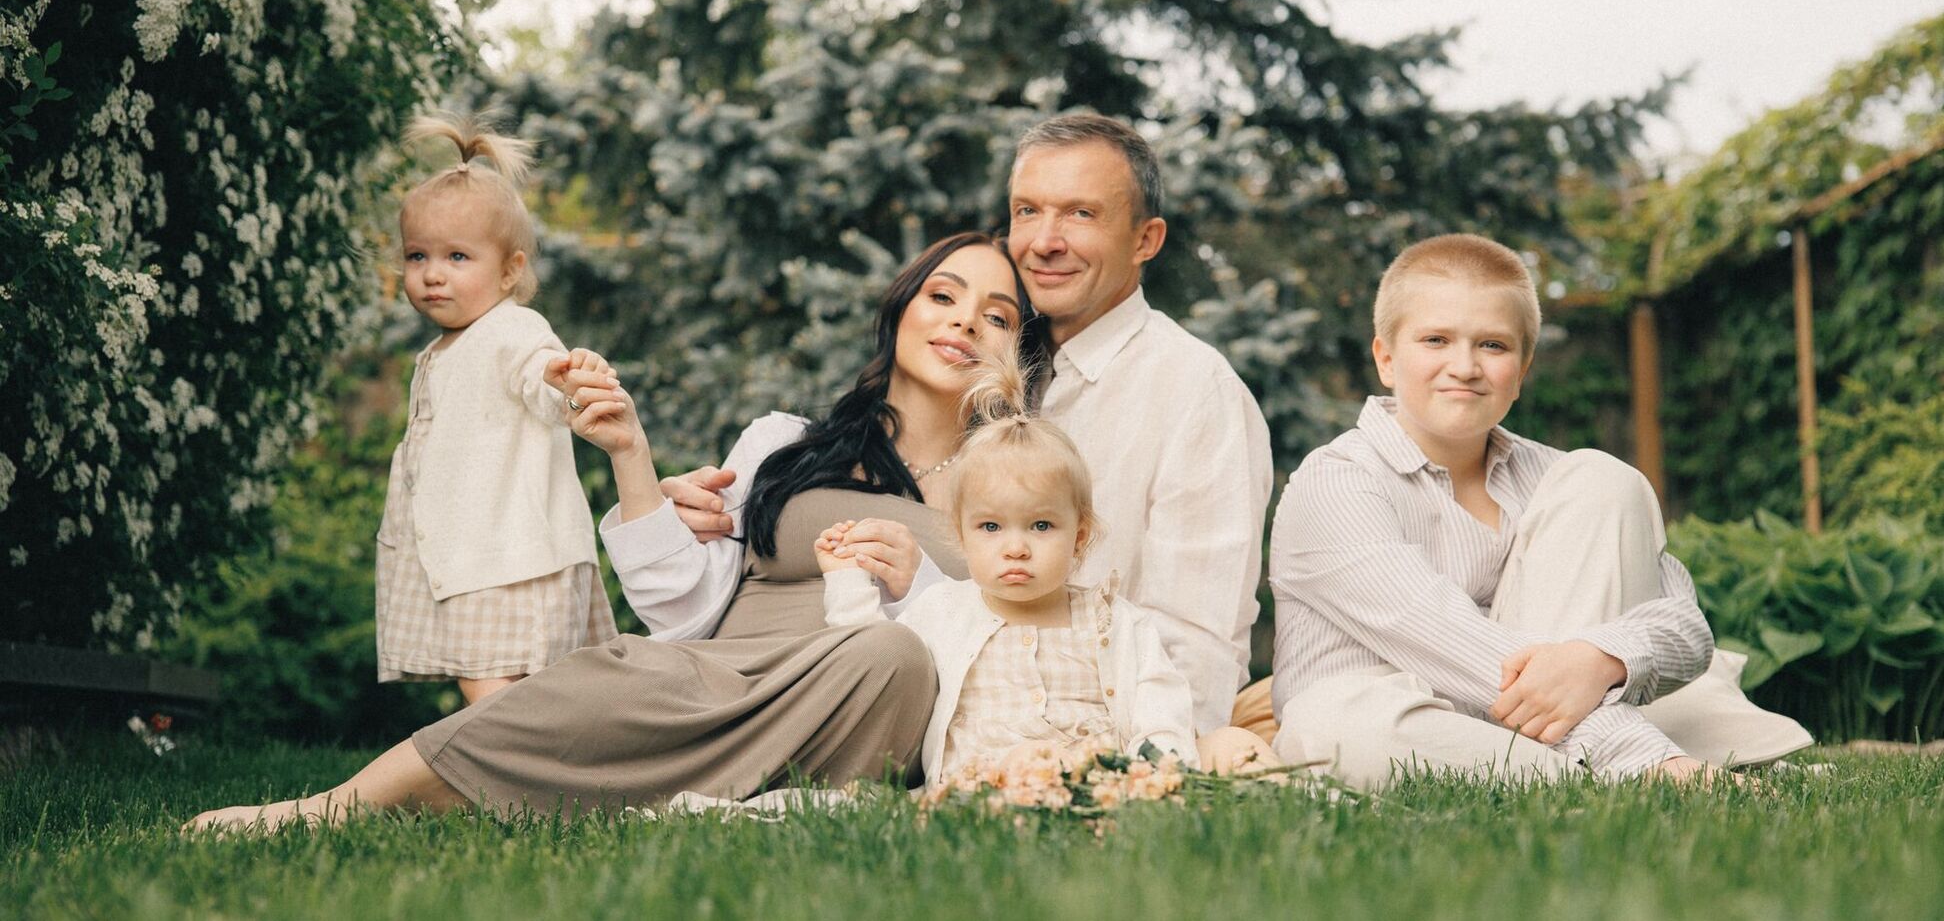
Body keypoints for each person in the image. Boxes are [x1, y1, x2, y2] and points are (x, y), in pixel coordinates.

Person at [183, 232, 1051, 831]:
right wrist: (633, 457)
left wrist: (925, 588)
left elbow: (1017, 646)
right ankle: (330, 806)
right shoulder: (785, 443)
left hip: (856, 697)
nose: (965, 321)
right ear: (902, 310)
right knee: (623, 670)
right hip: (712, 677)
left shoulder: (1008, 483)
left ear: (1018, 353)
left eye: (997, 315)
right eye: (942, 295)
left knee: (889, 656)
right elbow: (681, 611)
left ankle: (647, 790)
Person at [662, 114, 1278, 771]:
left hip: (1091, 749)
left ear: (1145, 239)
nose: (1044, 241)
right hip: (949, 735)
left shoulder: (1193, 390)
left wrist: (1151, 768)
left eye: (1080, 214)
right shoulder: (977, 360)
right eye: (1027, 210)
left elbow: (1198, 633)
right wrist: (698, 521)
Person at [1268, 233, 1813, 789]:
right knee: (1339, 730)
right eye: (1435, 340)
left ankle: (1574, 768)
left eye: (1493, 346)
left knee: (1605, 476)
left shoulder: (1559, 480)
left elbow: (1684, 625)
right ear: (1386, 358)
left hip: (1525, 730)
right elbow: (1458, 645)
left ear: (1522, 370)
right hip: (1413, 726)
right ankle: (1639, 770)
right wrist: (1641, 752)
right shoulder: (1334, 484)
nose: (1464, 366)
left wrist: (1601, 659)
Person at [817, 338, 1273, 785]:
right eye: (991, 528)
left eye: (1040, 526)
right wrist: (846, 579)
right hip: (986, 786)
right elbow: (870, 657)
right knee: (1026, 764)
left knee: (1234, 744)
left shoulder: (1113, 621)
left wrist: (1159, 769)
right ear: (962, 535)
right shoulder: (944, 612)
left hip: (1099, 783)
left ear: (1079, 538)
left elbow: (1160, 704)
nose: (1016, 548)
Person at [376, 112, 615, 704]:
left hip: (512, 556)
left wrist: (564, 379)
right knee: (495, 688)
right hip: (474, 553)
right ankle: (529, 779)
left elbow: (539, 374)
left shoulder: (512, 329)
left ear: (511, 271)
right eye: (417, 256)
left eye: (458, 257)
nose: (432, 274)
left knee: (495, 694)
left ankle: (508, 783)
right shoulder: (438, 351)